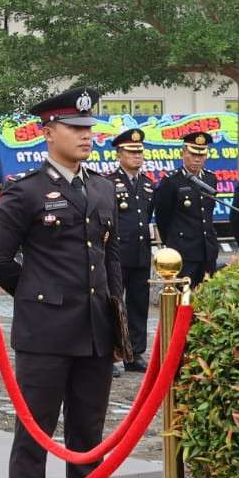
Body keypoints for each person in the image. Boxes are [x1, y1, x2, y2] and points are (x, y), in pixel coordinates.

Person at [0, 87, 123, 478]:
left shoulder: (100, 188)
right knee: (34, 431)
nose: (86, 136)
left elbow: (109, 257)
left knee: (88, 434)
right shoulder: (25, 191)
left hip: (95, 332)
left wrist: (117, 324)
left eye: (89, 128)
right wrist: (37, 294)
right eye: (75, 128)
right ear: (48, 132)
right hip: (45, 332)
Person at [104, 128, 152, 374]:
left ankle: (135, 354)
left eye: (140, 152)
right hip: (117, 254)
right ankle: (111, 354)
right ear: (119, 154)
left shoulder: (147, 184)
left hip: (141, 253)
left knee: (138, 304)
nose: (137, 156)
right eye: (131, 152)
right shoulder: (109, 183)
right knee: (113, 304)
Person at [152, 131, 220, 289]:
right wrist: (173, 244)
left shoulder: (210, 179)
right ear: (183, 153)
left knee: (207, 301)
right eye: (193, 154)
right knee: (183, 300)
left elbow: (207, 215)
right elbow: (163, 219)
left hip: (207, 251)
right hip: (184, 252)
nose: (197, 159)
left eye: (201, 155)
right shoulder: (171, 181)